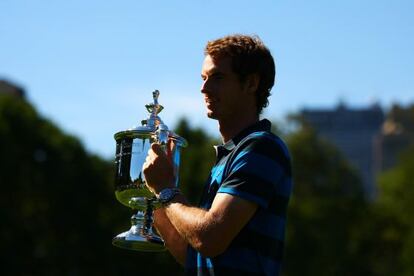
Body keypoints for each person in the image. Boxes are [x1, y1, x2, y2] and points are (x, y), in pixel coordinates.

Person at [143, 34, 292, 276]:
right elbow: (192, 254)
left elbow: (209, 237)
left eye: (218, 78)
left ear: (251, 84)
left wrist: (166, 189)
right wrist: (153, 192)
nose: (204, 88)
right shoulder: (229, 156)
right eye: (203, 78)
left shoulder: (262, 147)